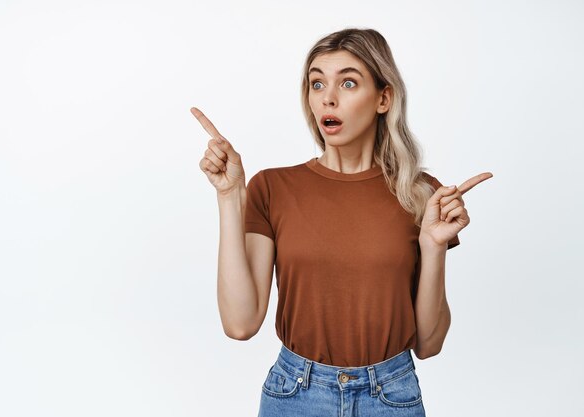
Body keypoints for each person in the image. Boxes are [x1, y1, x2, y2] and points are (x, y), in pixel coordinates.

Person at [192, 27, 492, 417]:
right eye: (317, 84)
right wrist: (230, 196)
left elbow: (429, 345)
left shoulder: (420, 194)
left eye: (348, 82)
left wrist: (433, 247)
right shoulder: (272, 187)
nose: (327, 98)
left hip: (391, 396)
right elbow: (240, 323)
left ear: (384, 98)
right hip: (295, 394)